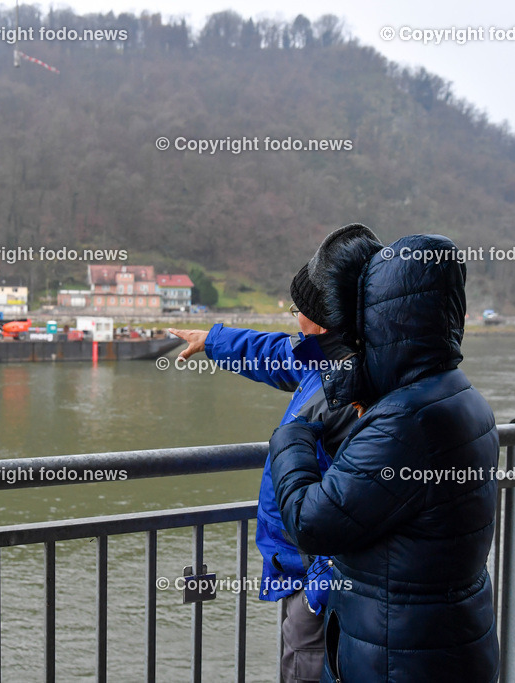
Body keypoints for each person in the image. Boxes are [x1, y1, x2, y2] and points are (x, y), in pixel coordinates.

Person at [269, 233, 500, 681]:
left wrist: (290, 439)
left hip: (401, 653)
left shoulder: (405, 422)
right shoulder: (461, 397)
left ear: (380, 321)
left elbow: (311, 522)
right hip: (446, 639)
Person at [170, 224, 380, 683]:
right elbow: (275, 353)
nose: (294, 317)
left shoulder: (345, 386)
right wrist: (213, 340)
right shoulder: (329, 360)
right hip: (303, 568)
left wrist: (319, 587)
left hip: (317, 575)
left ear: (321, 321)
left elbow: (358, 498)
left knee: (308, 667)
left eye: (297, 309)